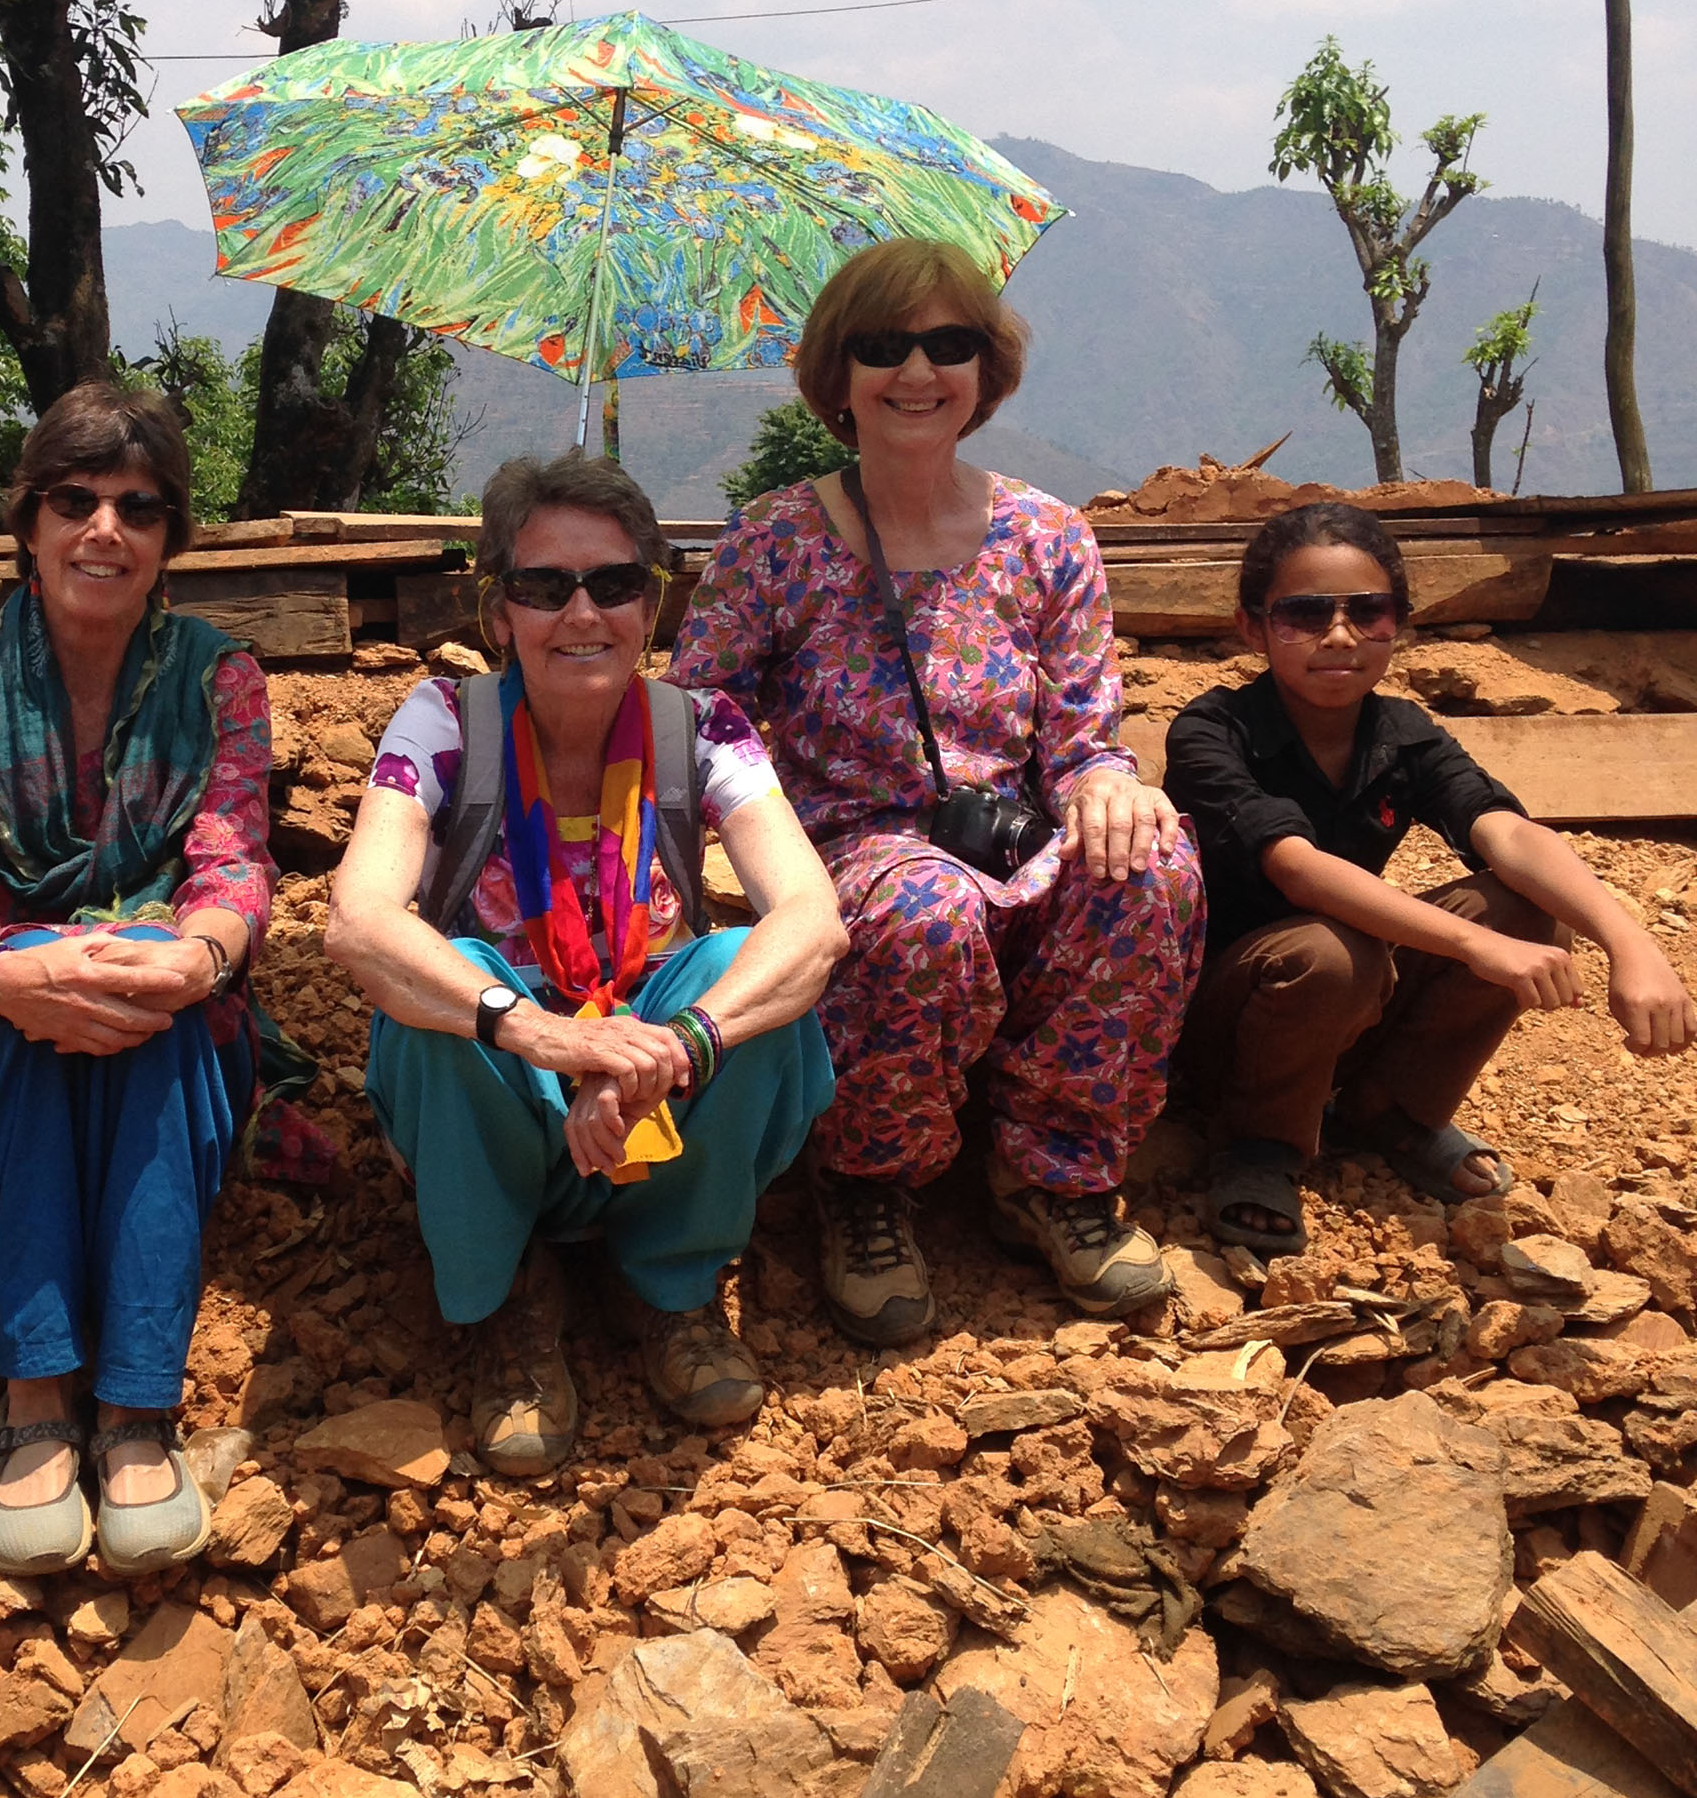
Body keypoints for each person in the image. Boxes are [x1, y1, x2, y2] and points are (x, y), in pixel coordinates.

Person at [670, 239, 1205, 1340]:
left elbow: (1085, 726)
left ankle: (1054, 1176)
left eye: (947, 343)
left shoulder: (1047, 536)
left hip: (1010, 825)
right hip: (853, 838)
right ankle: (869, 1182)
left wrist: (1107, 780)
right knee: (925, 905)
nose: (917, 370)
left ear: (984, 367)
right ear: (838, 373)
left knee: (1151, 860)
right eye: (883, 346)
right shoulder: (777, 538)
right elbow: (699, 720)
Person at [327, 452, 844, 1473]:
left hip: (655, 1078)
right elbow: (359, 920)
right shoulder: (443, 722)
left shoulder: (702, 729)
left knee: (750, 969)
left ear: (649, 606)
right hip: (509, 1089)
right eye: (543, 585)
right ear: (499, 612)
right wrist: (544, 1034)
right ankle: (512, 1291)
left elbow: (813, 920)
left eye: (614, 583)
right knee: (447, 977)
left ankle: (674, 1282)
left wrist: (673, 1043)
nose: (582, 613)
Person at [0, 382, 274, 1579]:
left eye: (139, 508)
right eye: (76, 499)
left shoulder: (222, 678)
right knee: (38, 1003)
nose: (106, 528)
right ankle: (39, 1386)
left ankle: (136, 1405)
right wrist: (8, 971)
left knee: (146, 993)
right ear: (30, 520)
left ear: (169, 539)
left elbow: (234, 860)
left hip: (168, 1004)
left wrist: (188, 956)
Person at [1166, 502, 1693, 1253]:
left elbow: (1506, 832)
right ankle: (1259, 1145)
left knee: (1517, 908)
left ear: (1399, 624)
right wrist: (1473, 949)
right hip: (1233, 1020)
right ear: (1254, 628)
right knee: (1329, 949)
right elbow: (1299, 869)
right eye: (1305, 615)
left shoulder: (1402, 733)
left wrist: (1629, 943)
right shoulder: (1213, 731)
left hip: (1351, 998)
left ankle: (1391, 1113)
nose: (1340, 636)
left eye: (1368, 612)